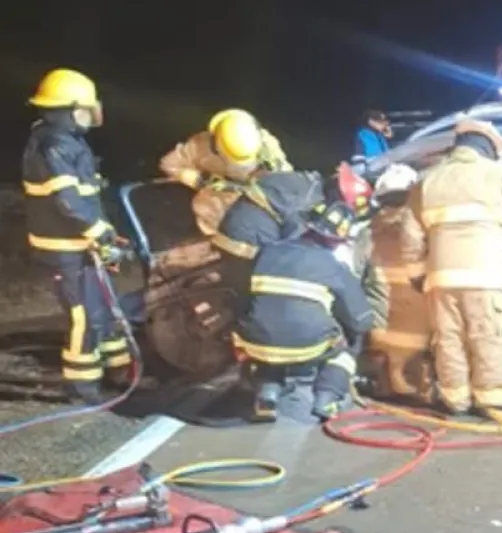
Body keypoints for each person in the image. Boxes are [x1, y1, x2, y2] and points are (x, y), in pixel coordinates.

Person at [401, 119, 502, 414]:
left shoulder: (428, 179)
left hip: (440, 278)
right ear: (490, 147)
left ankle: (456, 400)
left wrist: (417, 274)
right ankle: (490, 401)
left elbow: (410, 234)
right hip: (487, 276)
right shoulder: (500, 174)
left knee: (448, 340)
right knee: (487, 336)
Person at [21, 68, 135, 403]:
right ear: (69, 110)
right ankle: (81, 387)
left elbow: (84, 198)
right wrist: (100, 234)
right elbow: (69, 203)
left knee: (105, 307)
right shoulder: (54, 146)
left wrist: (105, 234)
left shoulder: (67, 141)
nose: (91, 114)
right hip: (65, 249)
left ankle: (119, 372)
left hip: (79, 244)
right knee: (85, 316)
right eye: (85, 108)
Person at [231, 177, 375, 422]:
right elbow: (360, 320)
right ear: (337, 239)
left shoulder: (268, 251)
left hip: (254, 342)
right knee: (350, 344)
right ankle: (327, 398)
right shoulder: (333, 265)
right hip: (305, 346)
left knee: (271, 332)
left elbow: (243, 298)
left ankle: (268, 393)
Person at [361, 163, 434, 402]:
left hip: (381, 339)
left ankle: (387, 380)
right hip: (422, 342)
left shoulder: (366, 233)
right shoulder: (424, 230)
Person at [160, 109, 292, 237]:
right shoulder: (200, 147)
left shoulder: (270, 152)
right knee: (207, 208)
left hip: (254, 200)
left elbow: (286, 180)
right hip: (219, 194)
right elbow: (169, 164)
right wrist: (195, 178)